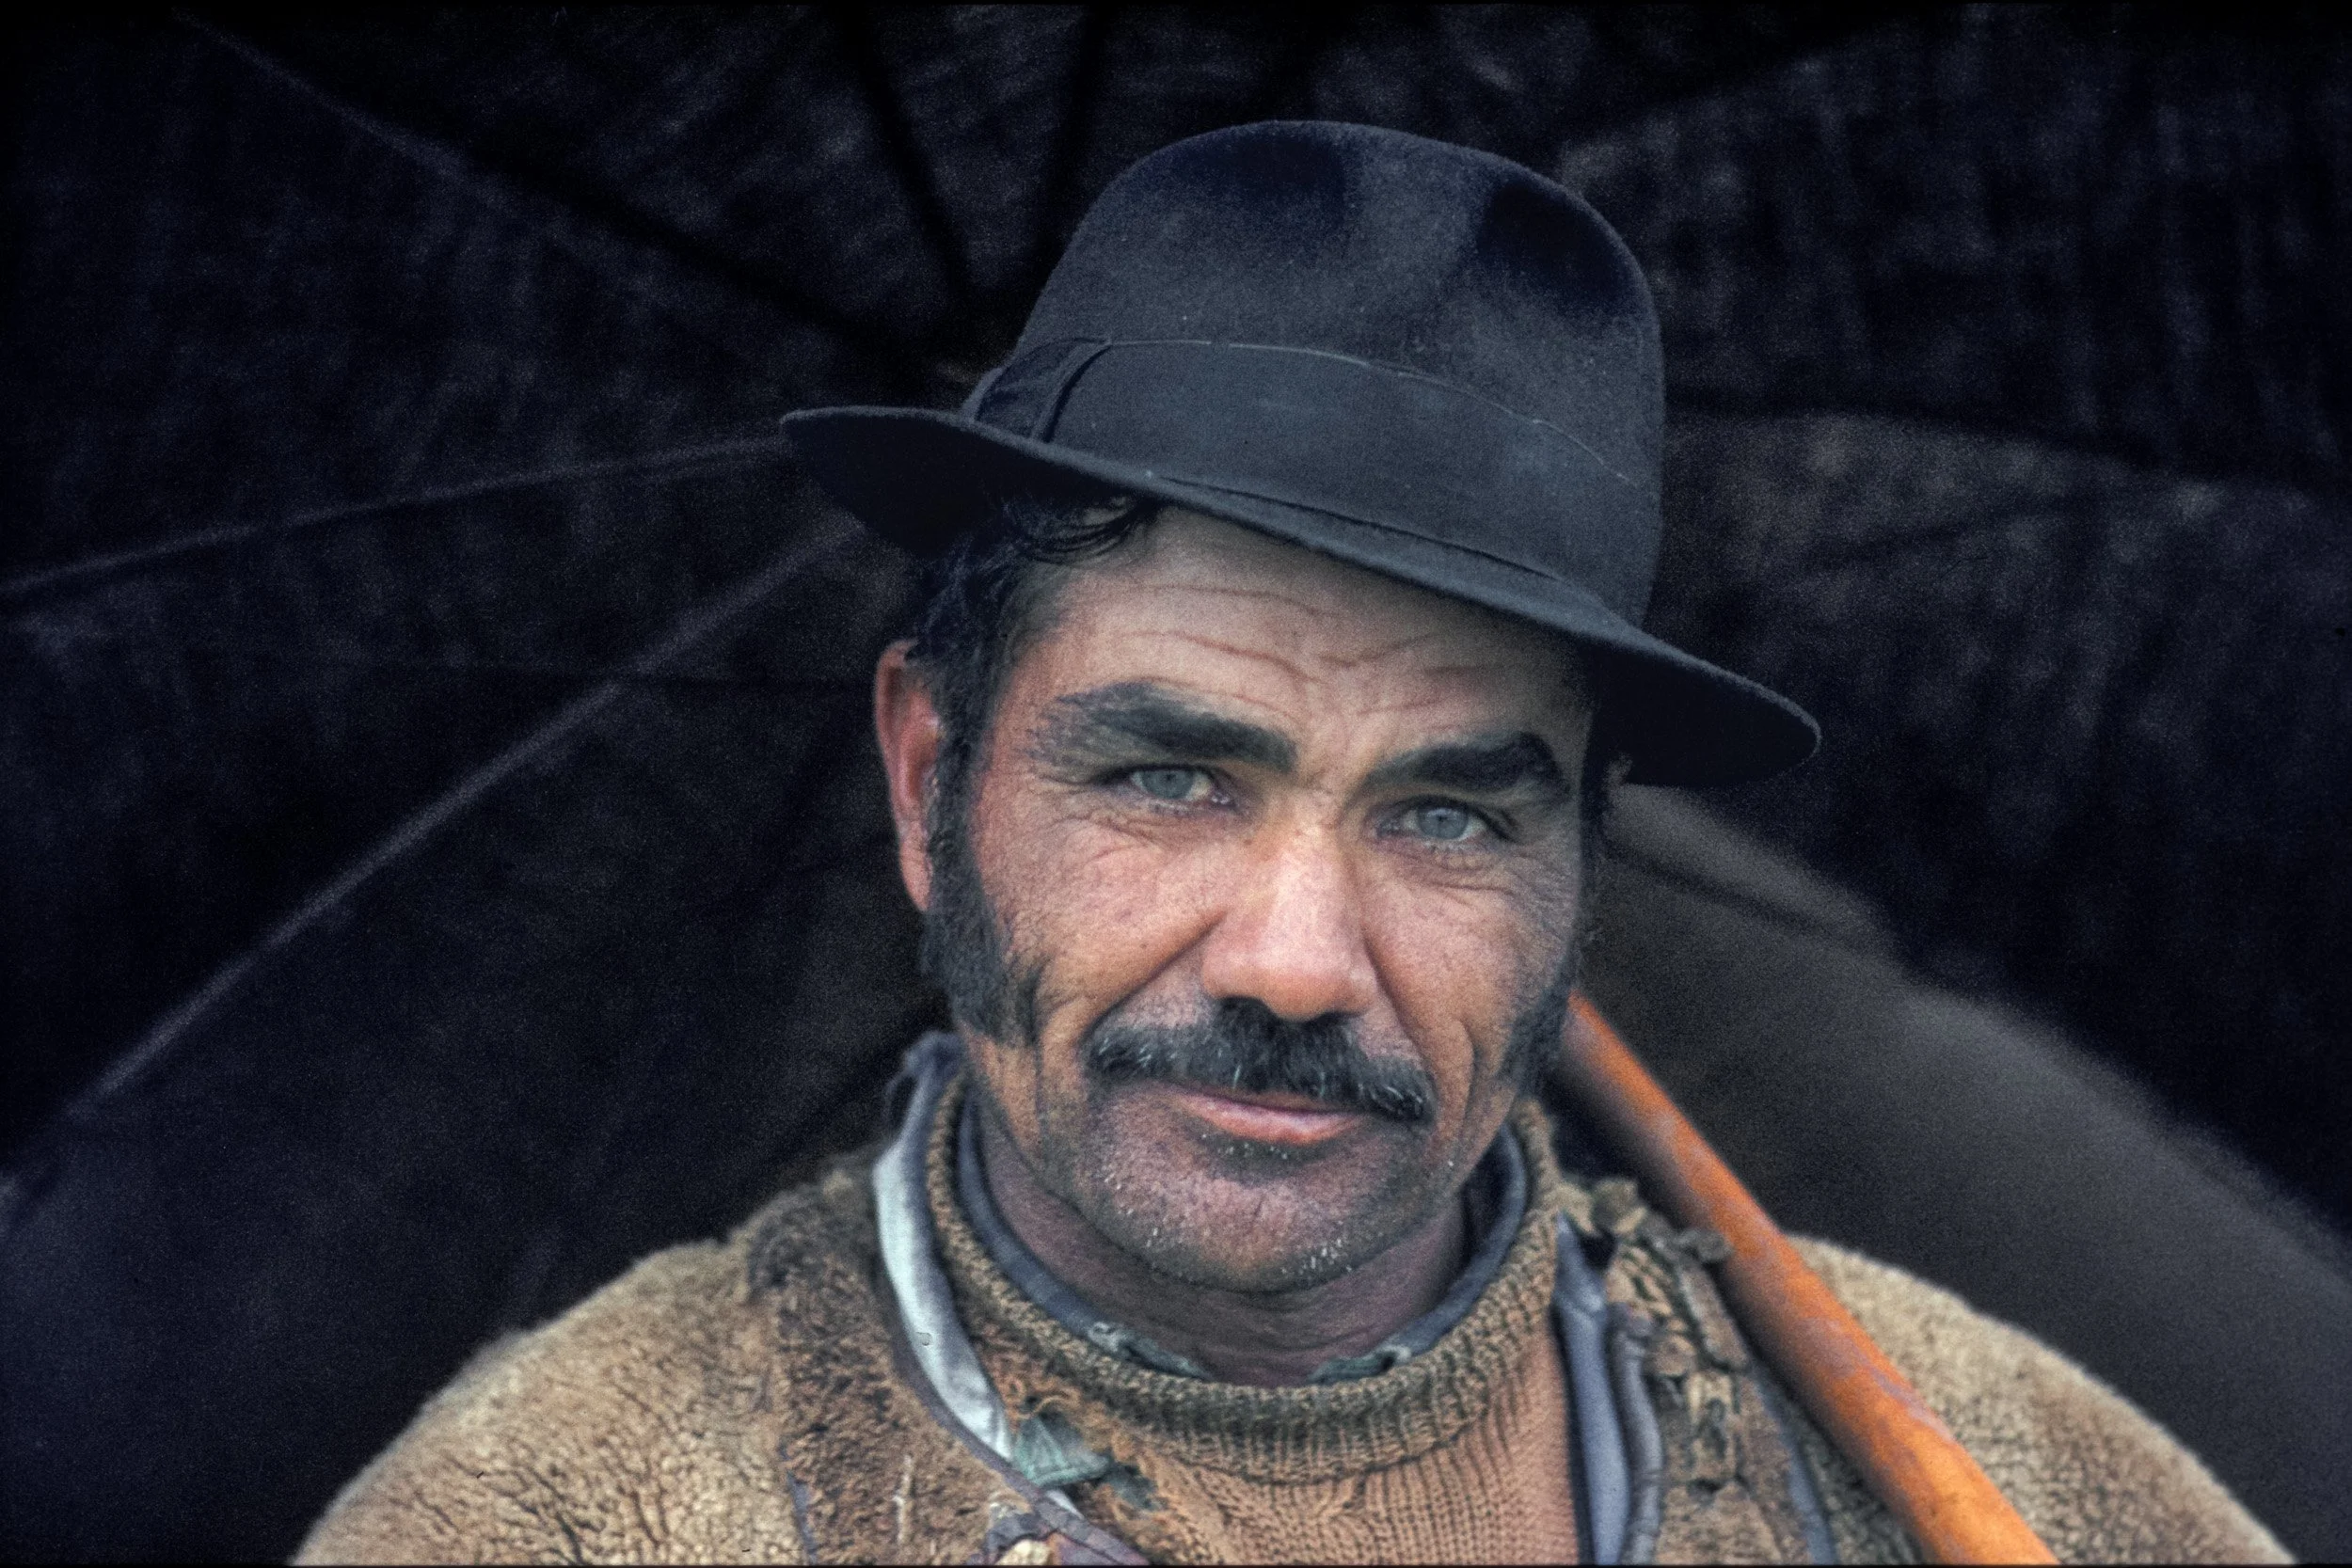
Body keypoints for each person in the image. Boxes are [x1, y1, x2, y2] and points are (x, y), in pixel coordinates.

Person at [298, 121, 2283, 1564]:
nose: (1295, 957)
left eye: (1443, 809)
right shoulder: (555, 1514)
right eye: (1166, 775)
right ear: (927, 778)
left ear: (1577, 867)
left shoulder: (1995, 1462)